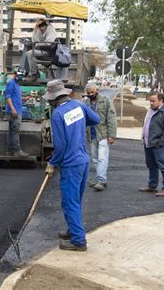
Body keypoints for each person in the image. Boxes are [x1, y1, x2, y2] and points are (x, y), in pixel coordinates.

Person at [44, 80, 100, 251]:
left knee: (70, 202)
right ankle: (73, 230)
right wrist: (78, 126)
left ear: (54, 99)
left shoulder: (57, 114)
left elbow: (60, 147)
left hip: (70, 164)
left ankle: (78, 241)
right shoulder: (78, 105)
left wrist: (52, 163)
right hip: (83, 160)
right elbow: (96, 119)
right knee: (76, 199)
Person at [139, 92, 164, 197]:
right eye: (150, 101)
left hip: (159, 146)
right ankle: (152, 185)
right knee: (151, 166)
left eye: (153, 101)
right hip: (148, 144)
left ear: (161, 101)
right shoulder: (150, 111)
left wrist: (160, 143)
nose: (151, 103)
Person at [84, 83, 117, 191]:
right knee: (95, 158)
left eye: (92, 92)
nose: (90, 94)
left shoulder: (106, 101)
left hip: (103, 134)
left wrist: (112, 135)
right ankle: (99, 178)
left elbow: (111, 118)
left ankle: (101, 180)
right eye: (88, 93)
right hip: (92, 134)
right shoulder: (86, 102)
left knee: (102, 158)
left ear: (97, 90)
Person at [5, 69, 29, 157]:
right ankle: (17, 151)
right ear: (15, 75)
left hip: (15, 110)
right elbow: (7, 97)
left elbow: (14, 97)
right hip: (14, 112)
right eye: (20, 76)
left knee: (11, 131)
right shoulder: (11, 83)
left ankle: (9, 150)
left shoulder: (17, 84)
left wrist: (23, 99)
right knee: (15, 131)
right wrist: (13, 109)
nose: (21, 78)